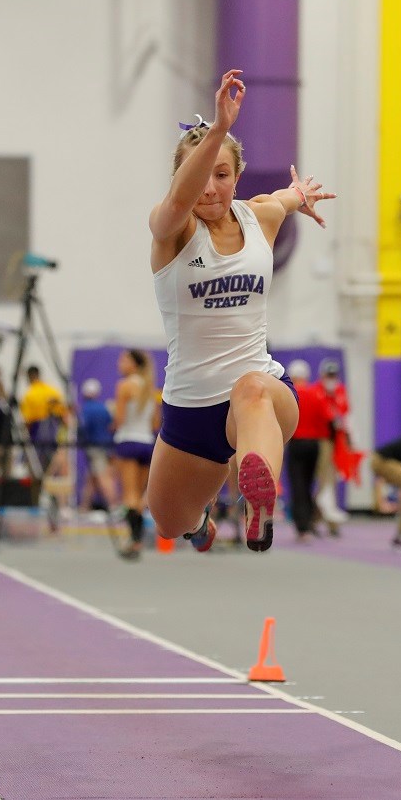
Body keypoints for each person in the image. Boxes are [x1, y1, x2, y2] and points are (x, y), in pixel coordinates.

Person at [145, 68, 335, 554]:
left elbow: (283, 199)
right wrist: (219, 130)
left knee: (250, 388)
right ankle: (200, 521)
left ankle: (259, 508)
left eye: (223, 175)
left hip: (261, 400)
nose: (210, 188)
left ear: (238, 176)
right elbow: (181, 198)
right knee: (168, 521)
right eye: (200, 176)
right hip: (190, 409)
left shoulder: (259, 218)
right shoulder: (172, 230)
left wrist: (302, 196)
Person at [112, 349, 161, 559]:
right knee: (141, 496)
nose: (120, 363)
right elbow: (155, 423)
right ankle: (137, 539)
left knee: (129, 495)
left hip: (128, 440)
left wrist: (111, 425)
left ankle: (134, 540)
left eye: (124, 359)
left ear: (134, 364)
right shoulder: (150, 388)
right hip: (146, 442)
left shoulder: (124, 386)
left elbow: (119, 419)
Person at [284, 359, 329, 541]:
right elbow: (326, 418)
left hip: (296, 443)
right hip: (314, 445)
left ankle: (302, 528)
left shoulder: (290, 394)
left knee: (297, 486)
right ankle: (310, 522)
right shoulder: (317, 394)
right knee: (310, 484)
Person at [313, 358, 352, 535]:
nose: (331, 378)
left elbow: (344, 413)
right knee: (323, 481)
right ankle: (316, 519)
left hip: (337, 441)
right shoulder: (317, 391)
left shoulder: (340, 391)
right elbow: (325, 415)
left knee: (332, 481)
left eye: (334, 375)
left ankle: (329, 522)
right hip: (321, 441)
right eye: (329, 375)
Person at [76, 377, 117, 514]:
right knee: (91, 478)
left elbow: (83, 428)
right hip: (106, 446)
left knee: (102, 476)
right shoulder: (104, 408)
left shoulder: (85, 410)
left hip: (94, 447)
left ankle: (113, 506)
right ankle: (84, 507)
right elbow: (111, 426)